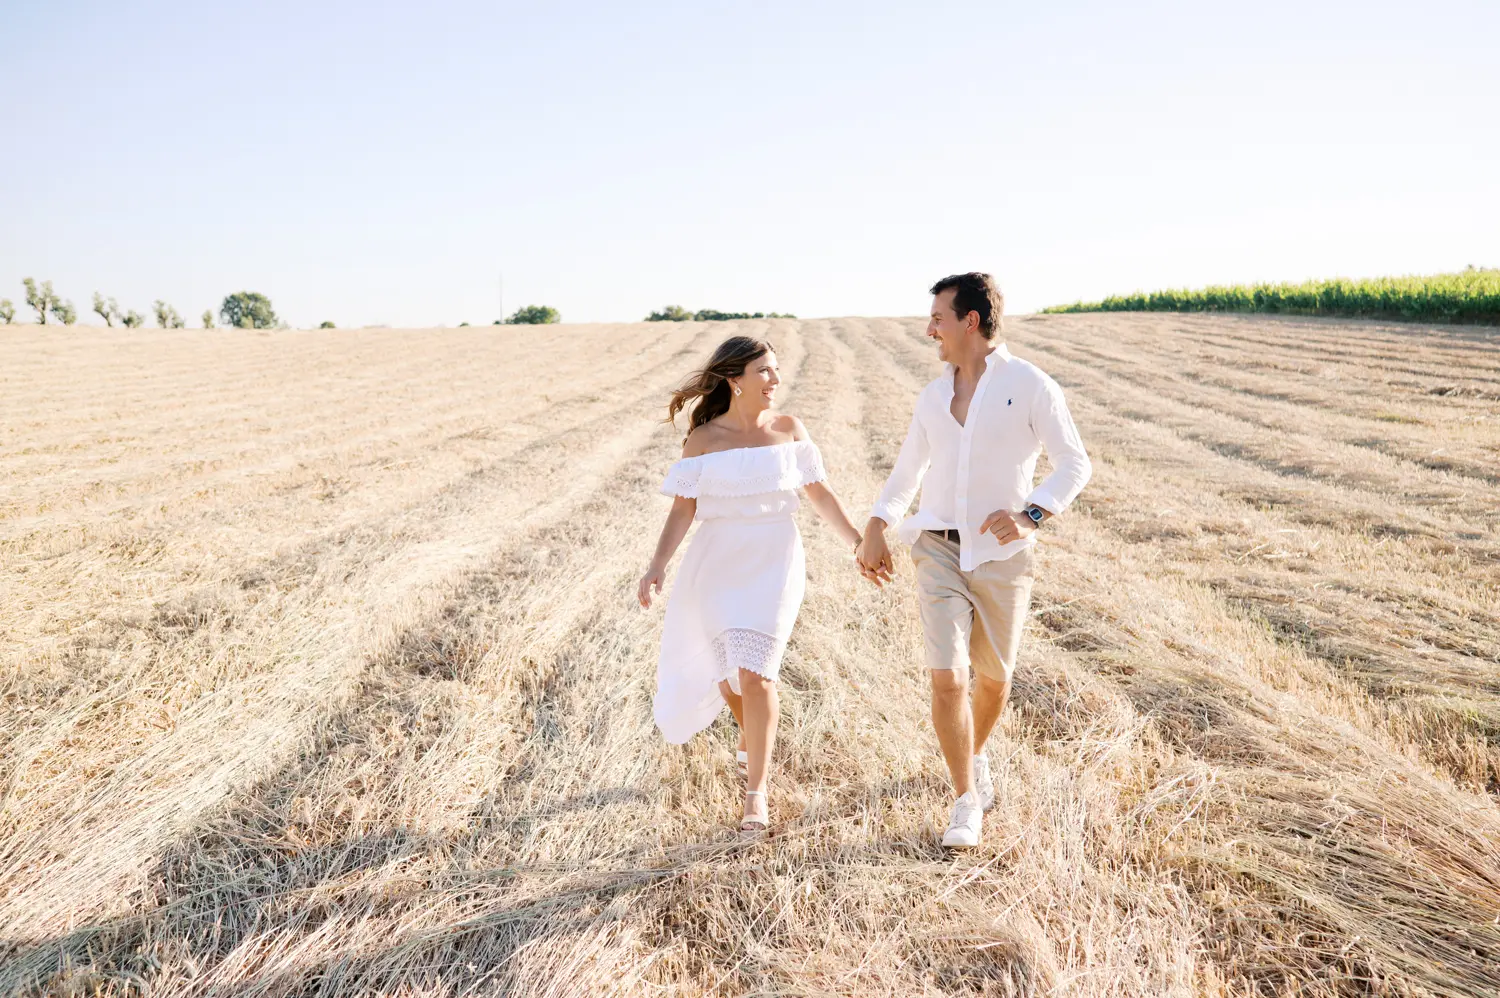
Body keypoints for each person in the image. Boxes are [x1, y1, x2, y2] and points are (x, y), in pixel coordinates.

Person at [856, 273, 1092, 848]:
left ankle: (975, 754)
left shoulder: (1031, 385)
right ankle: (965, 800)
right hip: (936, 547)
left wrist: (1033, 514)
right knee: (948, 677)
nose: (929, 328)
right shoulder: (933, 396)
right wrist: (876, 526)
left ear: (971, 321)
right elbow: (908, 471)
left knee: (994, 680)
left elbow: (1073, 464)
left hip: (1003, 558)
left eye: (938, 317)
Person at [639, 335, 863, 832]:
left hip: (776, 558)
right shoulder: (703, 439)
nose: (775, 380)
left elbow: (820, 494)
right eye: (764, 371)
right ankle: (751, 736)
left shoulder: (788, 430)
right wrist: (656, 565)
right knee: (729, 680)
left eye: (776, 370)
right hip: (716, 563)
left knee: (758, 673)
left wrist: (857, 541)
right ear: (733, 380)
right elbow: (683, 509)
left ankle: (755, 796)